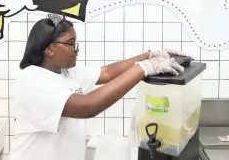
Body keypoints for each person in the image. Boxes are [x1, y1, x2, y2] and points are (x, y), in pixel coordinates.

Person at [10, 13, 187, 160]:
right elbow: (89, 106)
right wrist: (143, 69)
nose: (76, 49)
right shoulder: (32, 80)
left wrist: (148, 56)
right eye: (71, 43)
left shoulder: (66, 73)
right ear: (49, 49)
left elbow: (108, 73)